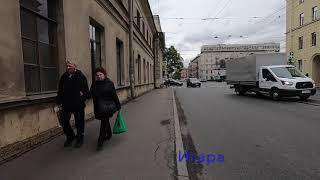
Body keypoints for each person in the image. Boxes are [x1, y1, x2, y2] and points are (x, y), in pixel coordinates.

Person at [56, 61, 89, 148]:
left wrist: (81, 99)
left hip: (78, 105)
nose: (67, 68)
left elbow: (86, 92)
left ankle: (80, 139)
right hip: (66, 104)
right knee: (63, 120)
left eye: (69, 66)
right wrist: (58, 101)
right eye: (67, 66)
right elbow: (60, 90)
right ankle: (70, 136)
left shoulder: (81, 76)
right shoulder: (64, 77)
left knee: (79, 123)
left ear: (75, 66)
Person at [89, 67, 121, 150]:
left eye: (101, 74)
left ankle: (100, 142)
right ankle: (109, 134)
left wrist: (118, 105)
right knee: (105, 120)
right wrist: (83, 95)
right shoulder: (94, 84)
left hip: (107, 106)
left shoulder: (109, 83)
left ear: (104, 74)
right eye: (97, 75)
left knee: (104, 122)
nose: (99, 76)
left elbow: (114, 95)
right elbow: (90, 94)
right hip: (98, 107)